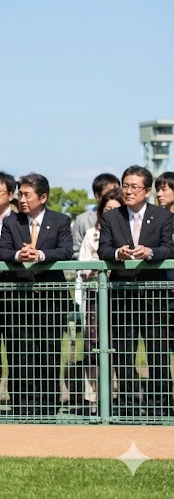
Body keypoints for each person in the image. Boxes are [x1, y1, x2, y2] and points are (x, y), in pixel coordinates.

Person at [98, 165, 174, 418]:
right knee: (124, 352)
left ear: (147, 191)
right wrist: (117, 253)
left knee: (158, 352)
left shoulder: (162, 216)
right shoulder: (112, 217)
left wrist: (150, 252)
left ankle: (160, 406)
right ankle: (127, 406)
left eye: (134, 187)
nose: (128, 191)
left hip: (154, 294)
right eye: (125, 186)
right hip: (122, 293)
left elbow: (169, 248)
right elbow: (103, 249)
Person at [0, 173, 73, 416]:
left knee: (49, 353)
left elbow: (66, 251)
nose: (22, 199)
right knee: (19, 353)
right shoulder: (12, 222)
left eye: (27, 195)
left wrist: (40, 255)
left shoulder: (60, 220)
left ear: (43, 197)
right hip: (19, 300)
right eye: (20, 194)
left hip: (51, 301)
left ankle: (48, 406)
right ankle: (22, 406)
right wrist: (19, 255)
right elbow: (2, 251)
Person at [74, 188, 122, 414]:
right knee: (92, 345)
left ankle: (116, 395)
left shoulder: (127, 234)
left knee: (118, 345)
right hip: (93, 296)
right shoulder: (92, 233)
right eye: (107, 209)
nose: (110, 213)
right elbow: (82, 266)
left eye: (115, 209)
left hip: (119, 295)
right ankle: (93, 396)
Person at [71, 173, 120, 253]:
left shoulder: (128, 216)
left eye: (117, 192)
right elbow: (75, 251)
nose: (114, 196)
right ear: (97, 196)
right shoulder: (83, 221)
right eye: (109, 193)